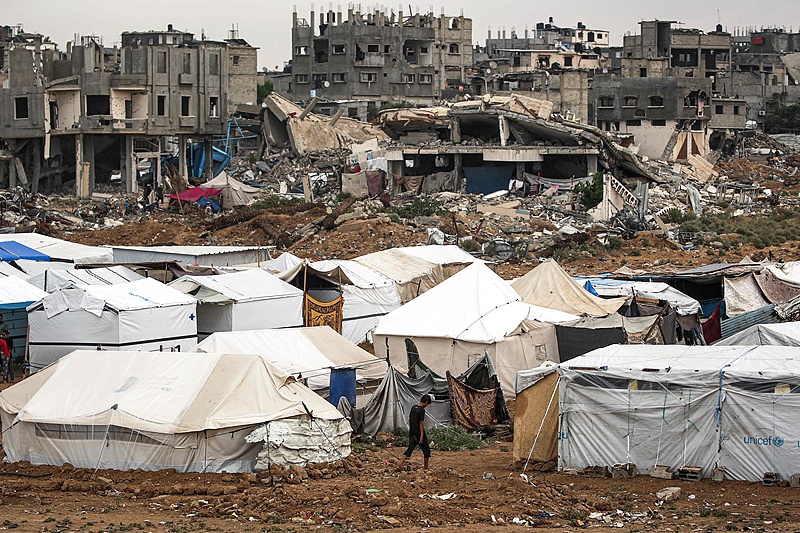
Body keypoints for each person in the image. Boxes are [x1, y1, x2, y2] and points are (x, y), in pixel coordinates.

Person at [397, 394, 432, 471]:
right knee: (426, 449)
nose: (427, 405)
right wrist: (422, 436)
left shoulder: (413, 408)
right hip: (419, 432)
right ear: (426, 402)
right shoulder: (422, 410)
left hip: (412, 431)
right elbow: (421, 423)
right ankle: (426, 467)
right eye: (427, 404)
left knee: (410, 448)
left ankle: (400, 464)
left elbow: (410, 420)